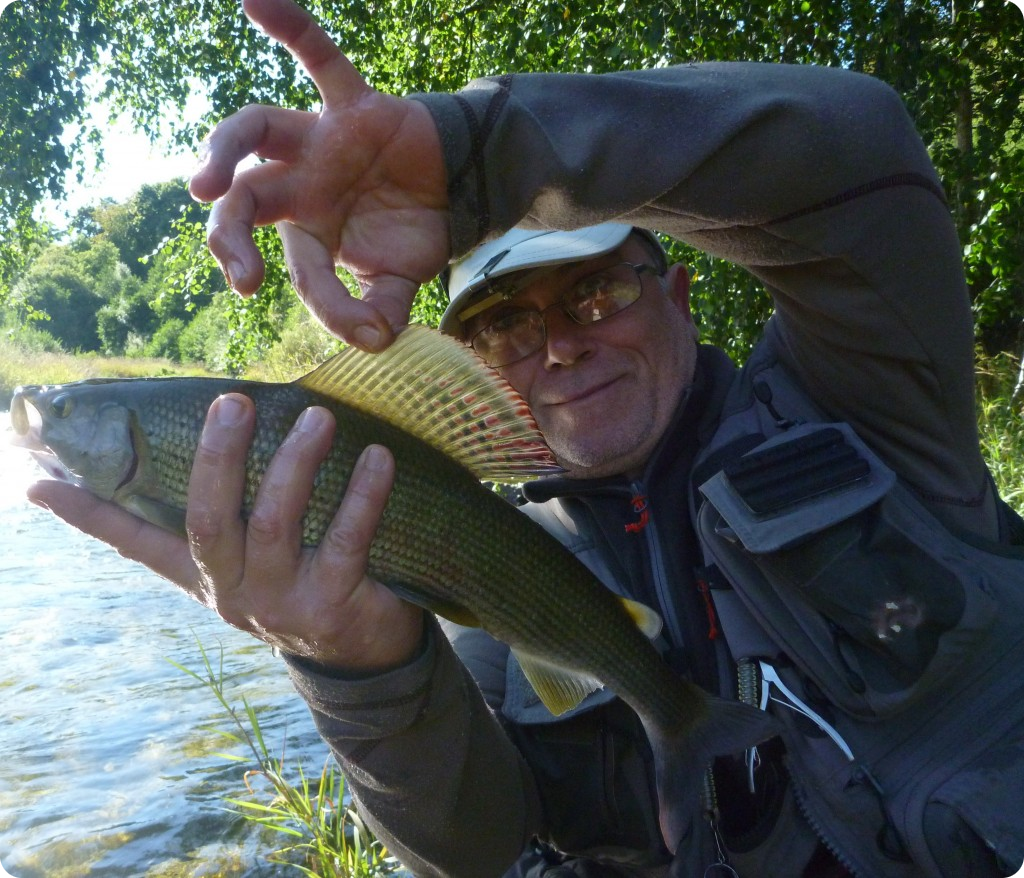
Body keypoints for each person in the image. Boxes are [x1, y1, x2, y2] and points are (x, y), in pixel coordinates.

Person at [27, 0, 1021, 875]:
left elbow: (859, 142)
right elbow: (477, 846)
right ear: (467, 359)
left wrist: (475, 154)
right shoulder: (480, 568)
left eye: (593, 291)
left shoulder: (864, 397)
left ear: (676, 291)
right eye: (502, 325)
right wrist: (356, 665)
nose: (557, 347)